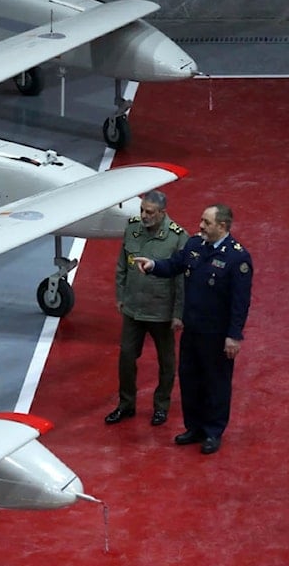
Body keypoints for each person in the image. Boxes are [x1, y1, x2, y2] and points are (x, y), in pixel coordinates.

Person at [134, 204, 253, 454]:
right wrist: (153, 265)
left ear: (222, 226)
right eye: (201, 220)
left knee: (216, 383)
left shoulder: (237, 258)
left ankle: (212, 432)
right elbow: (175, 265)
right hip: (192, 330)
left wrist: (234, 336)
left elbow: (239, 302)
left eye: (206, 222)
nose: (200, 226)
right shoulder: (194, 246)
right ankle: (194, 427)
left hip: (217, 335)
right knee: (190, 379)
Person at [105, 190, 188, 426]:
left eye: (149, 212)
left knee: (167, 362)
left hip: (161, 311)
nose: (143, 215)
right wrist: (120, 295)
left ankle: (161, 406)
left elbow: (182, 279)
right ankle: (126, 404)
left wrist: (178, 314)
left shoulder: (178, 237)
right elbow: (122, 264)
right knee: (126, 357)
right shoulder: (132, 228)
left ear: (162, 213)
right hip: (133, 308)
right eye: (142, 210)